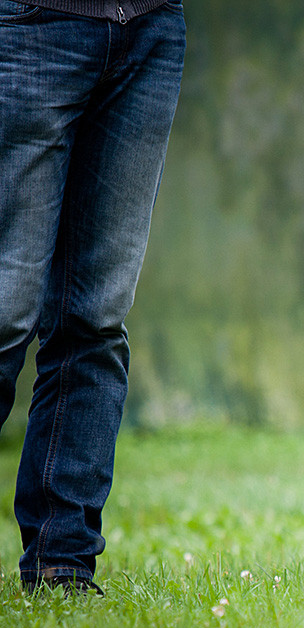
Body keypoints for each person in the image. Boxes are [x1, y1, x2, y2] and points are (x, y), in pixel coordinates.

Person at [0, 0, 186, 595]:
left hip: (150, 28)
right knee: (5, 313)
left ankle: (63, 563)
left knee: (96, 319)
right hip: (33, 24)